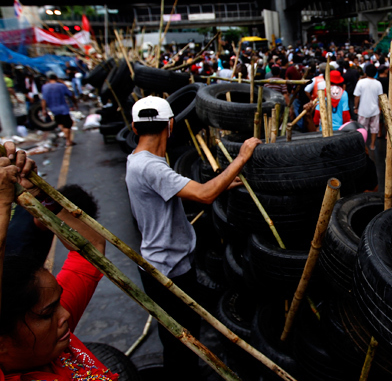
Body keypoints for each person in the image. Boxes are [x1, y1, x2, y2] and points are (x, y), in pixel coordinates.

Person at [125, 96, 260, 377]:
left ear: (135, 128)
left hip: (163, 264)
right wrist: (242, 157)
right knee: (182, 345)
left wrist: (222, 180)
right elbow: (204, 194)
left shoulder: (140, 160)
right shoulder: (151, 167)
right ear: (171, 124)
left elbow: (198, 189)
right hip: (166, 271)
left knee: (182, 339)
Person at [0, 141, 114, 380]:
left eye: (58, 303)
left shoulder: (52, 332)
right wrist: (2, 205)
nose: (66, 316)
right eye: (46, 314)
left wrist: (39, 194)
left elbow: (91, 248)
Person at [41, 73, 77, 147]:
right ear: (56, 78)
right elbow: (70, 94)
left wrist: (43, 109)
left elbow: (44, 100)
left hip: (53, 109)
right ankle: (68, 141)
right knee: (68, 124)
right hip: (63, 108)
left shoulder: (45, 87)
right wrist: (75, 103)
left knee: (61, 123)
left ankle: (68, 140)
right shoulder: (61, 86)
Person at [353, 64, 383, 151]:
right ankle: (372, 145)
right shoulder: (378, 83)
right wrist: (380, 108)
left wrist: (355, 107)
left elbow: (357, 96)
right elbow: (380, 98)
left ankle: (364, 146)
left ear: (365, 72)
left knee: (362, 129)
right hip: (375, 110)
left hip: (363, 110)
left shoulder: (361, 82)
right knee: (374, 129)